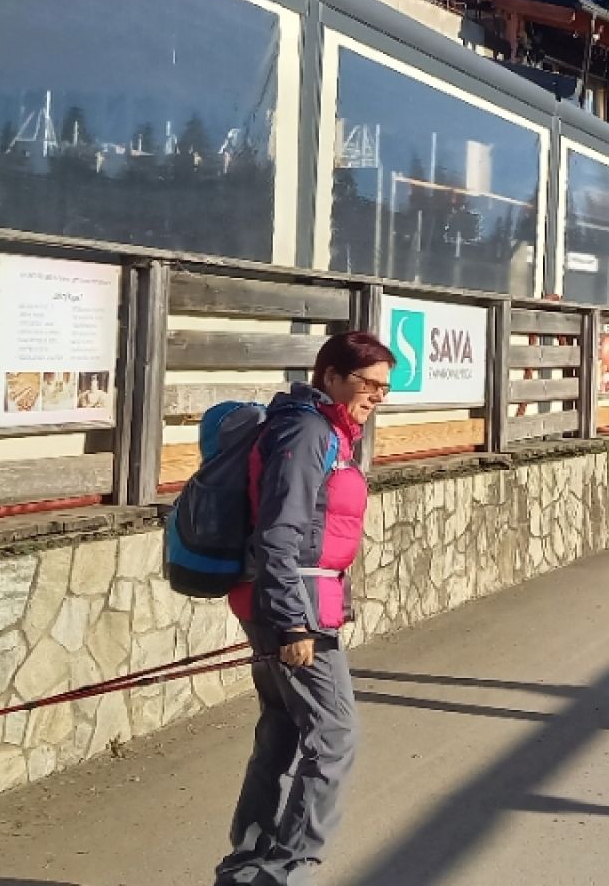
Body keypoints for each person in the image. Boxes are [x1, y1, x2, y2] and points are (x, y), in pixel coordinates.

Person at [214, 331, 395, 886]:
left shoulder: (321, 429)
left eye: (385, 388)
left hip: (289, 602)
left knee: (282, 730)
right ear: (331, 376)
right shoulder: (308, 430)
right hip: (293, 610)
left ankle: (248, 866)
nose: (377, 395)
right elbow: (280, 533)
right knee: (334, 736)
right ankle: (282, 871)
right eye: (368, 383)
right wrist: (294, 622)